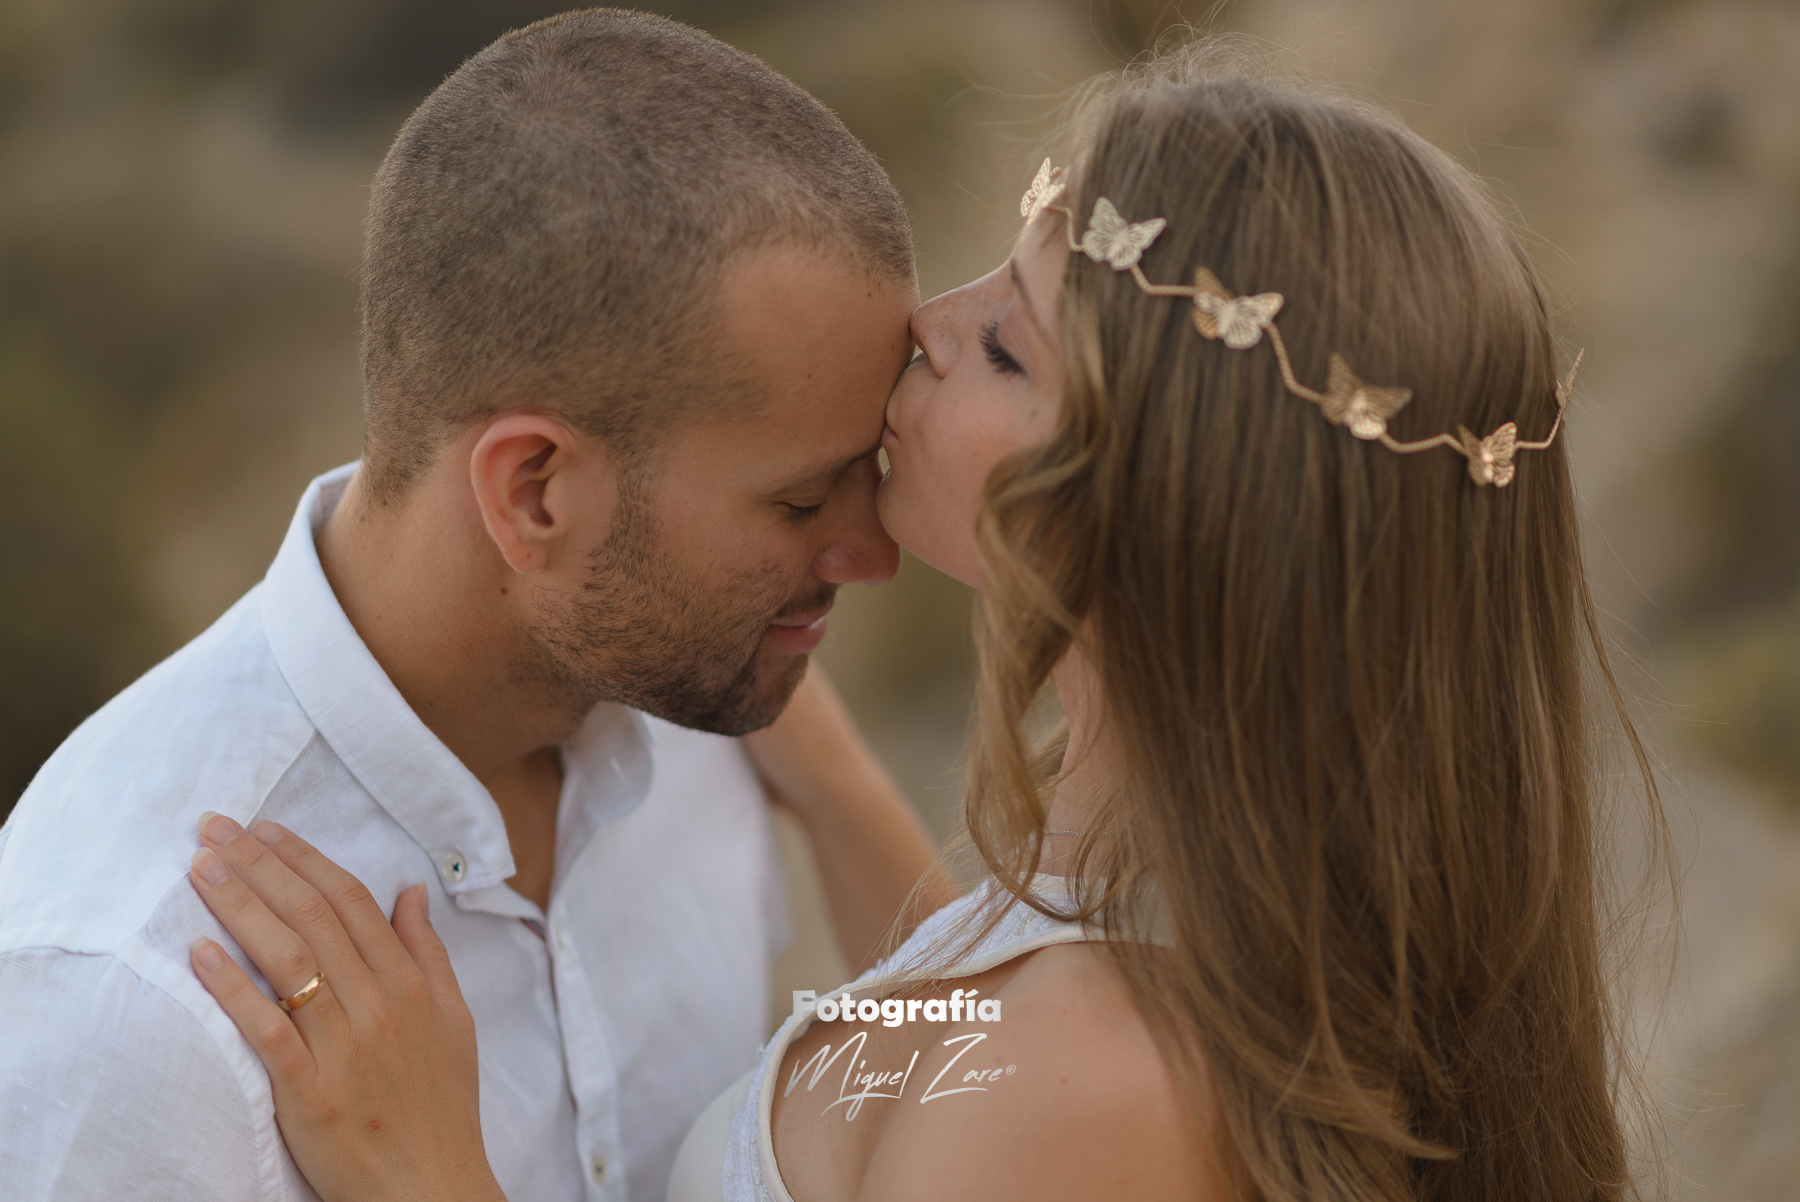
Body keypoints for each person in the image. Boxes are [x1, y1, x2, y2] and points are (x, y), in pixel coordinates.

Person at [182, 42, 1664, 1202]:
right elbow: (928, 1040)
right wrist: (832, 790)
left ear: (1157, 519)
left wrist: (432, 1171)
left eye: (1008, 341)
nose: (930, 323)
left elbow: (1001, 1073)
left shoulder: (1084, 1082)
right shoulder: (1167, 897)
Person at [0, 11, 949, 1202]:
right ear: (535, 490)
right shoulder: (127, 1004)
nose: (870, 555)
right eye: (804, 501)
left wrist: (842, 789)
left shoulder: (711, 708)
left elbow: (981, 1102)